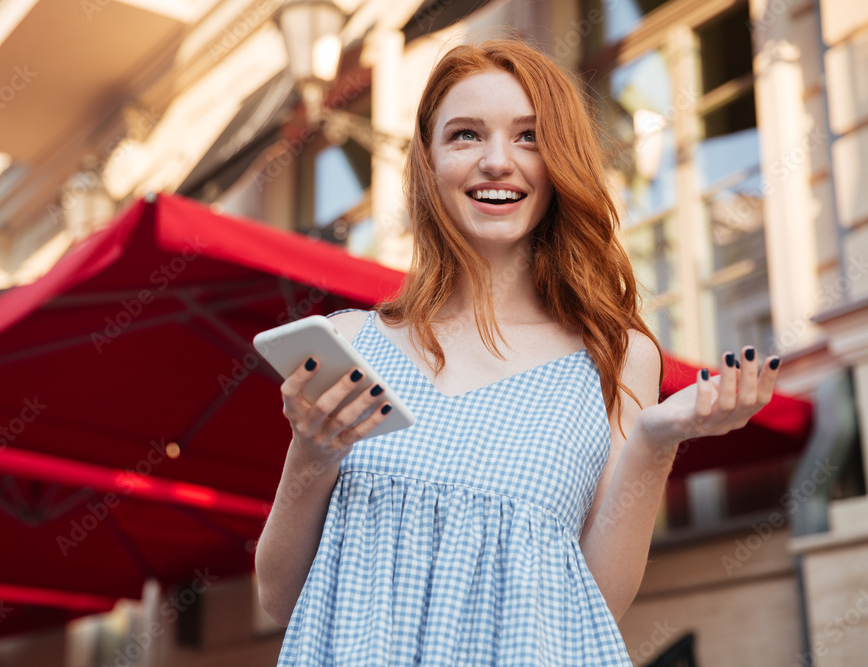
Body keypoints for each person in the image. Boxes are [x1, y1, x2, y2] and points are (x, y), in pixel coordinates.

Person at [254, 38, 781, 665]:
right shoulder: (350, 343)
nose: (498, 161)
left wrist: (655, 440)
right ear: (427, 161)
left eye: (529, 136)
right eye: (466, 135)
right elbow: (282, 599)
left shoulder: (617, 358)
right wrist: (310, 454)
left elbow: (594, 608)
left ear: (560, 161)